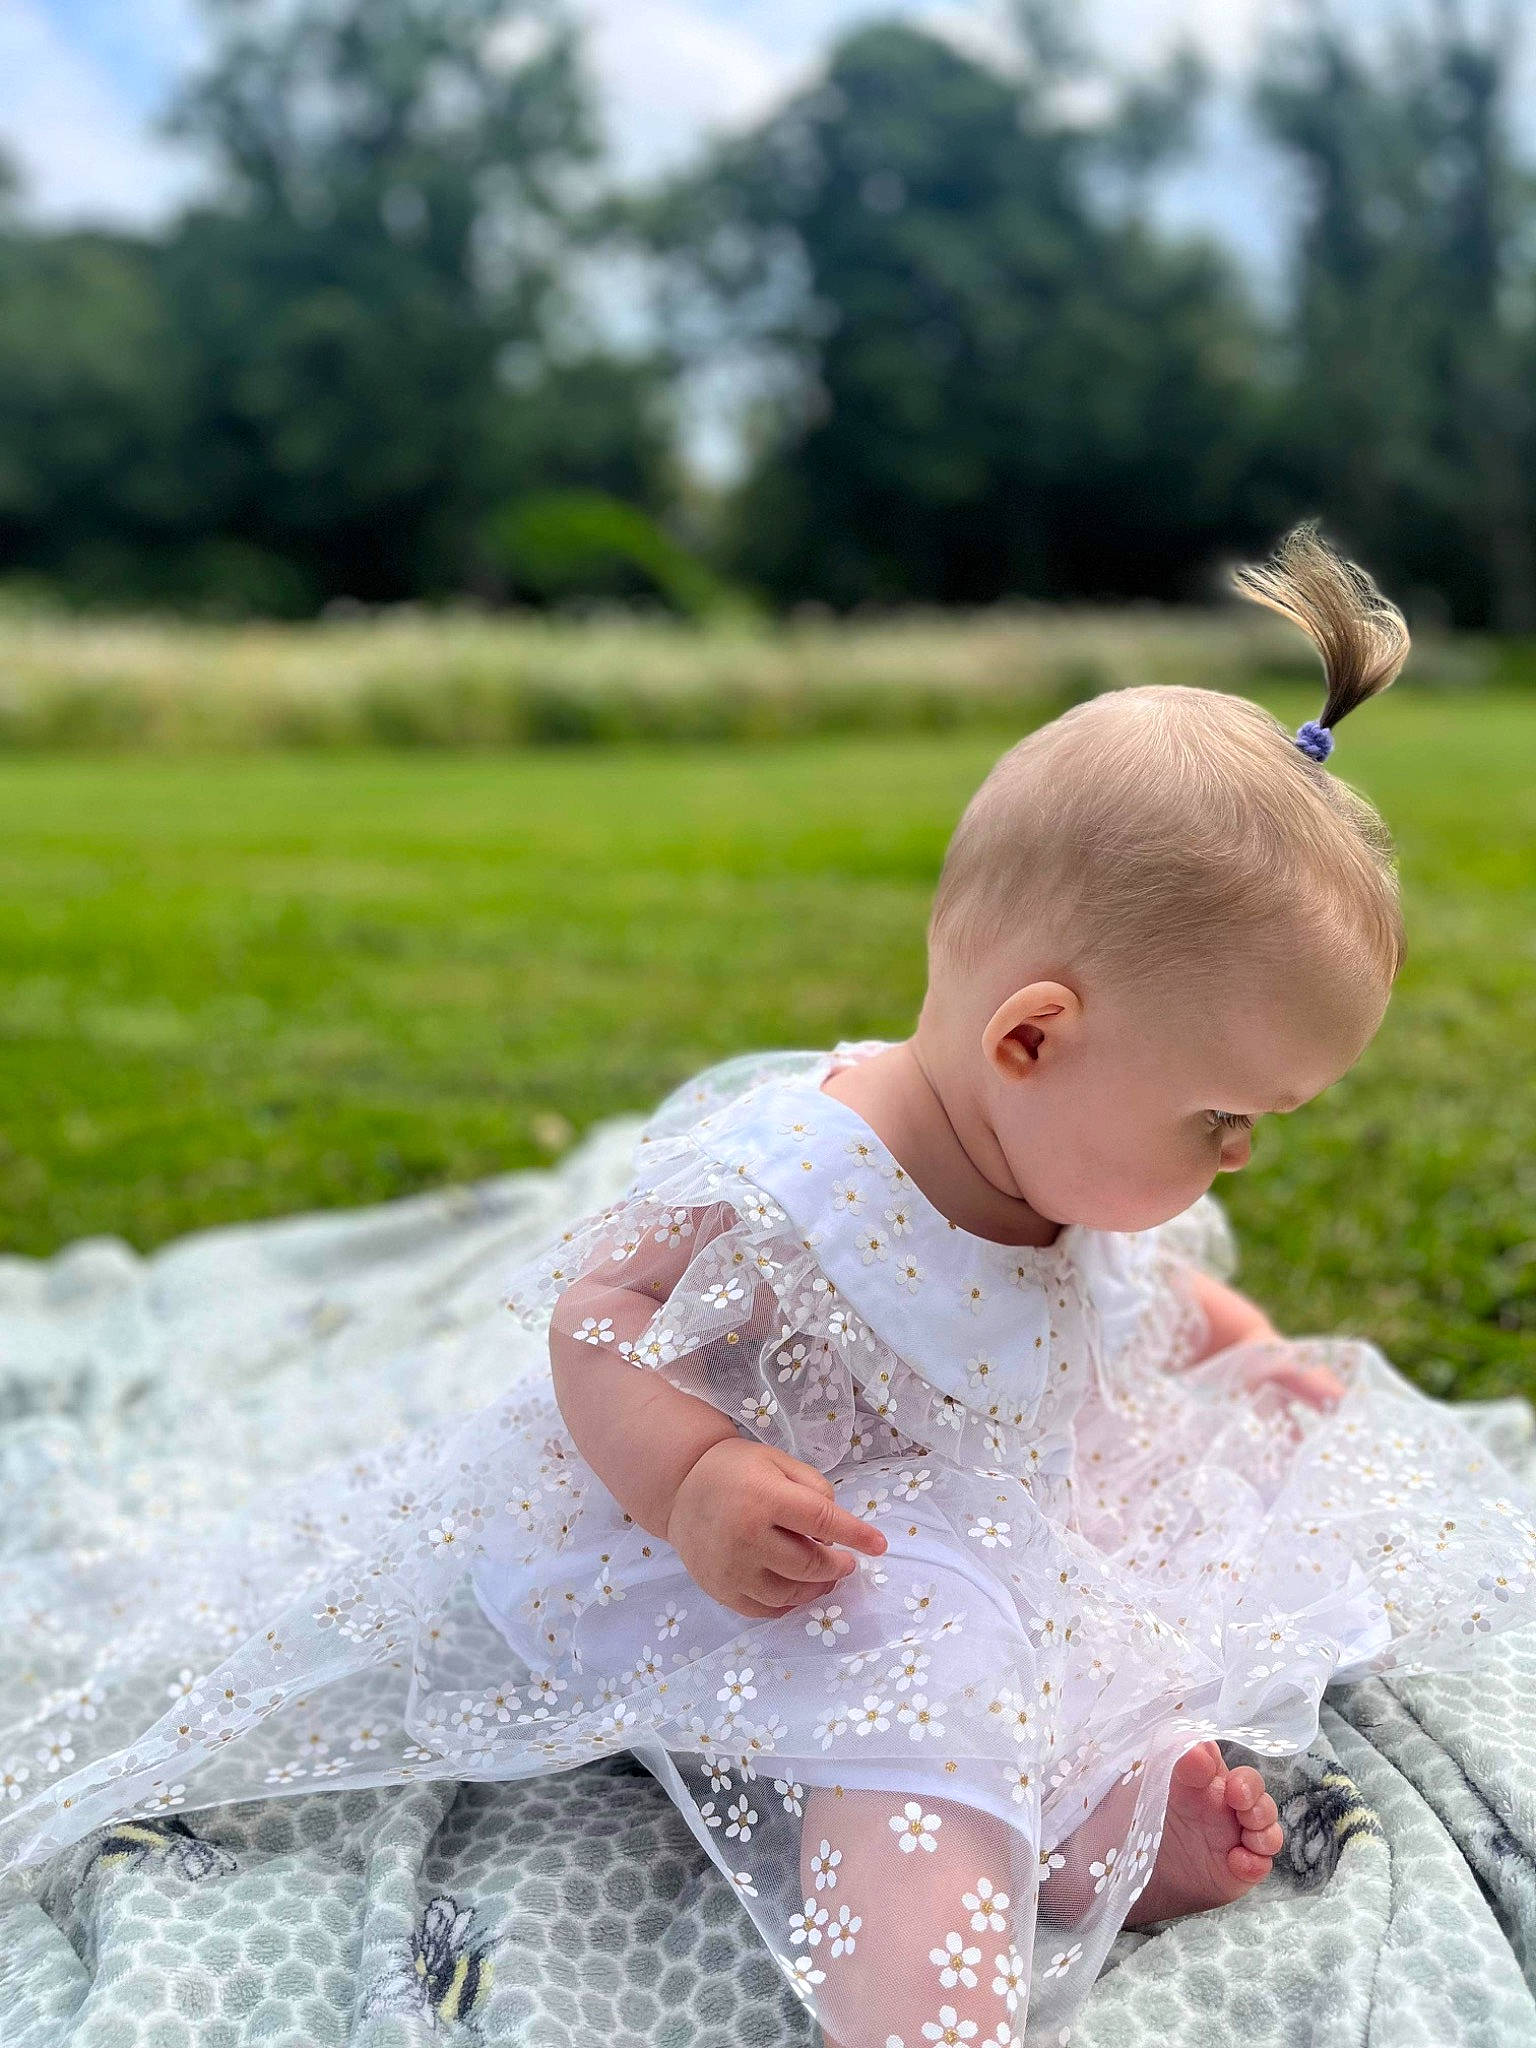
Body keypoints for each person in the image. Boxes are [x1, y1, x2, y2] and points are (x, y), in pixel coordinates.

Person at [2, 526, 1532, 2048]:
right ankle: (930, 2003)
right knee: (913, 1699)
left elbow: (1114, 1298)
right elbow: (595, 1317)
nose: (1243, 1156)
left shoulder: (1057, 1157)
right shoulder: (795, 1183)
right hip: (783, 1551)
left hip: (978, 1526)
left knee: (1074, 1632)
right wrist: (697, 1475)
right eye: (1222, 1117)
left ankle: (1113, 1821)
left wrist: (1243, 1347)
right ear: (1029, 1038)